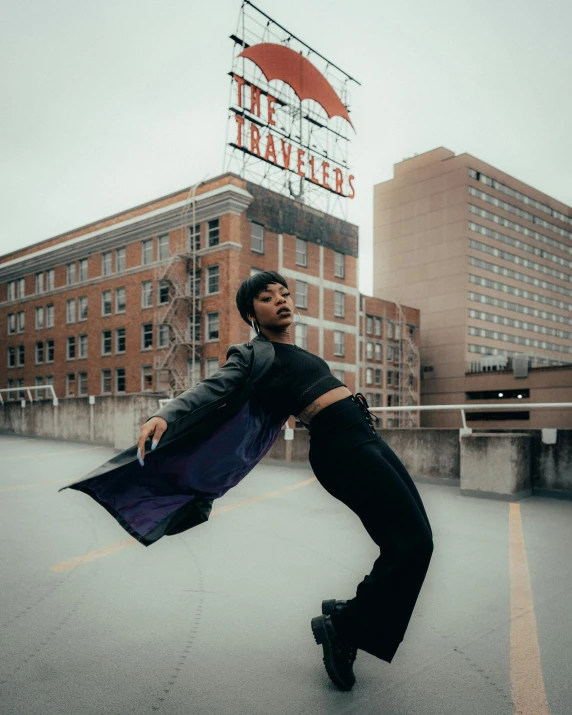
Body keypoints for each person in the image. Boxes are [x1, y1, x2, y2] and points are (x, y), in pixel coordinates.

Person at [136, 270, 434, 691]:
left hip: (366, 439)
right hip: (341, 450)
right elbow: (211, 387)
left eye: (285, 293)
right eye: (266, 297)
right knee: (413, 543)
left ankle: (349, 612)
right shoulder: (253, 354)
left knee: (417, 538)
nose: (281, 300)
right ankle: (345, 626)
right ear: (250, 313)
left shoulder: (301, 353)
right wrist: (164, 413)